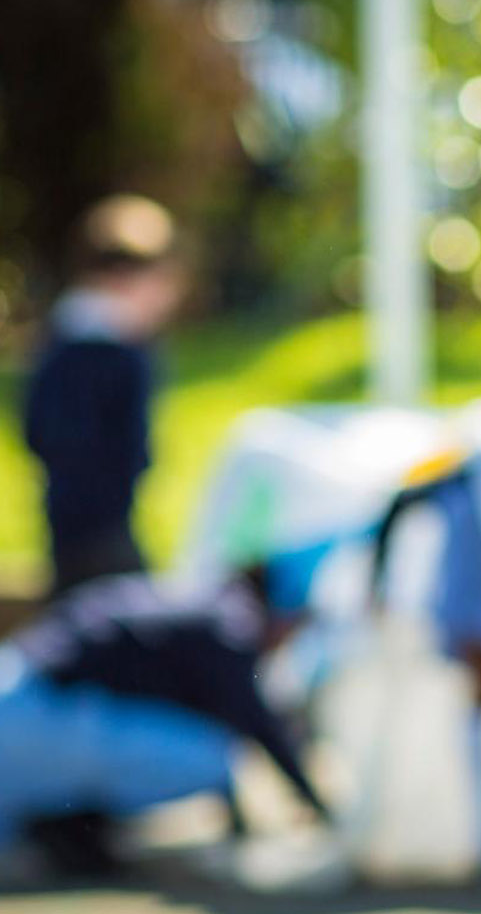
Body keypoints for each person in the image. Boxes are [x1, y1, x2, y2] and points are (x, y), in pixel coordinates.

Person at [0, 559, 330, 878]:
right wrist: (319, 807)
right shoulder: (231, 621)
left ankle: (67, 830)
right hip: (43, 711)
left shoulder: (206, 598)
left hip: (18, 684)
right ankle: (65, 827)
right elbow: (256, 727)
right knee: (214, 757)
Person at [22, 194, 186, 596]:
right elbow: (131, 448)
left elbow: (36, 431)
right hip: (105, 531)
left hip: (64, 525)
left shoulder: (57, 340)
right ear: (124, 278)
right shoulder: (121, 353)